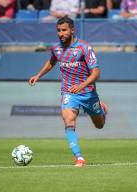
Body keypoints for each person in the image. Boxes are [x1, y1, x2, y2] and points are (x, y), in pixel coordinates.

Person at [28, 16, 108, 167]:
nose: (60, 33)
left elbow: (96, 73)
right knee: (68, 121)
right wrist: (38, 75)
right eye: (58, 31)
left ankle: (101, 108)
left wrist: (82, 85)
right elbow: (51, 62)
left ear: (72, 30)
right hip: (69, 93)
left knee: (100, 125)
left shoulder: (84, 48)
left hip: (88, 94)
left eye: (64, 30)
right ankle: (79, 158)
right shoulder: (56, 49)